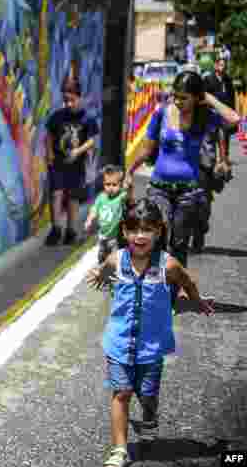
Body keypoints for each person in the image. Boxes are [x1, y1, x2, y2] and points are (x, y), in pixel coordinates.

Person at [85, 198, 214, 467]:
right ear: (124, 231)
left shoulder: (168, 265)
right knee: (121, 393)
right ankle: (120, 450)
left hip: (151, 347)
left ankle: (149, 418)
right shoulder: (117, 259)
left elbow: (187, 281)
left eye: (147, 229)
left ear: (159, 231)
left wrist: (197, 301)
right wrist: (99, 275)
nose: (140, 236)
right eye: (133, 229)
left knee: (147, 395)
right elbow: (104, 268)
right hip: (119, 343)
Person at [125, 70, 240, 264]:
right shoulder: (161, 112)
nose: (178, 102)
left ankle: (175, 281)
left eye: (184, 98)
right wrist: (129, 171)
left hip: (189, 192)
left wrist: (209, 98)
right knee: (157, 238)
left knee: (179, 245)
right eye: (175, 96)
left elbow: (234, 119)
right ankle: (156, 280)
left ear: (196, 98)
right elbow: (146, 149)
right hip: (159, 188)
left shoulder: (205, 116)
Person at [45, 76, 98, 245]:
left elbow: (92, 140)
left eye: (72, 100)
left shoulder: (87, 117)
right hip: (58, 162)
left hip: (76, 164)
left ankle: (71, 230)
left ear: (79, 97)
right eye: (65, 100)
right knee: (56, 193)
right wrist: (49, 154)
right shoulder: (58, 116)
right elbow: (49, 134)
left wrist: (78, 151)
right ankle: (56, 229)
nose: (68, 104)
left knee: (73, 197)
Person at [85, 164, 128, 265]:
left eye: (114, 185)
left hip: (116, 237)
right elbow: (94, 209)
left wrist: (129, 187)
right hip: (103, 236)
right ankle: (102, 267)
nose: (111, 188)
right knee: (102, 257)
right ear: (103, 184)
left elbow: (129, 196)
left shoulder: (121, 196)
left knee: (115, 260)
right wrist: (89, 220)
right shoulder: (101, 197)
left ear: (120, 184)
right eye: (108, 184)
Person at [203, 53, 235, 181]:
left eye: (224, 65)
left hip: (225, 116)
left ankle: (224, 168)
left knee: (224, 141)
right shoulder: (208, 79)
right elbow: (204, 97)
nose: (223, 67)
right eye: (221, 65)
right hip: (211, 116)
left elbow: (232, 98)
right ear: (215, 66)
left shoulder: (228, 80)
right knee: (210, 143)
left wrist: (232, 114)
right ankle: (210, 168)